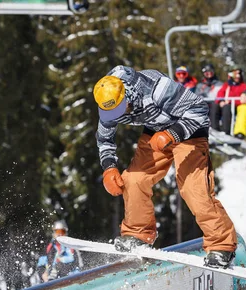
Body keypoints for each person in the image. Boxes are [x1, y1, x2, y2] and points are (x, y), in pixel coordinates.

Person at [92, 65, 237, 269]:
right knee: (134, 180)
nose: (116, 115)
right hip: (155, 132)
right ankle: (137, 234)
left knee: (193, 188)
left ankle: (222, 245)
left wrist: (173, 134)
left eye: (119, 109)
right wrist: (109, 167)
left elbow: (200, 110)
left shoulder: (157, 89)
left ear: (129, 95)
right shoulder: (108, 103)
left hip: (189, 131)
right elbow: (104, 138)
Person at [212, 65, 246, 134]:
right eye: (235, 74)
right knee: (214, 106)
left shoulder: (243, 86)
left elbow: (243, 99)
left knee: (227, 107)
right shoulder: (227, 85)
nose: (237, 76)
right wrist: (221, 101)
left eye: (239, 74)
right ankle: (214, 130)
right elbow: (220, 93)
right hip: (226, 105)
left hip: (234, 107)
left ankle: (226, 131)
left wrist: (231, 102)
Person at [195, 63, 223, 128]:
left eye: (211, 72)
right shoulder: (200, 86)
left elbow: (223, 95)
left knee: (214, 106)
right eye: (206, 73)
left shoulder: (219, 84)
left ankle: (214, 128)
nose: (209, 75)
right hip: (204, 107)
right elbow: (196, 97)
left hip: (216, 106)